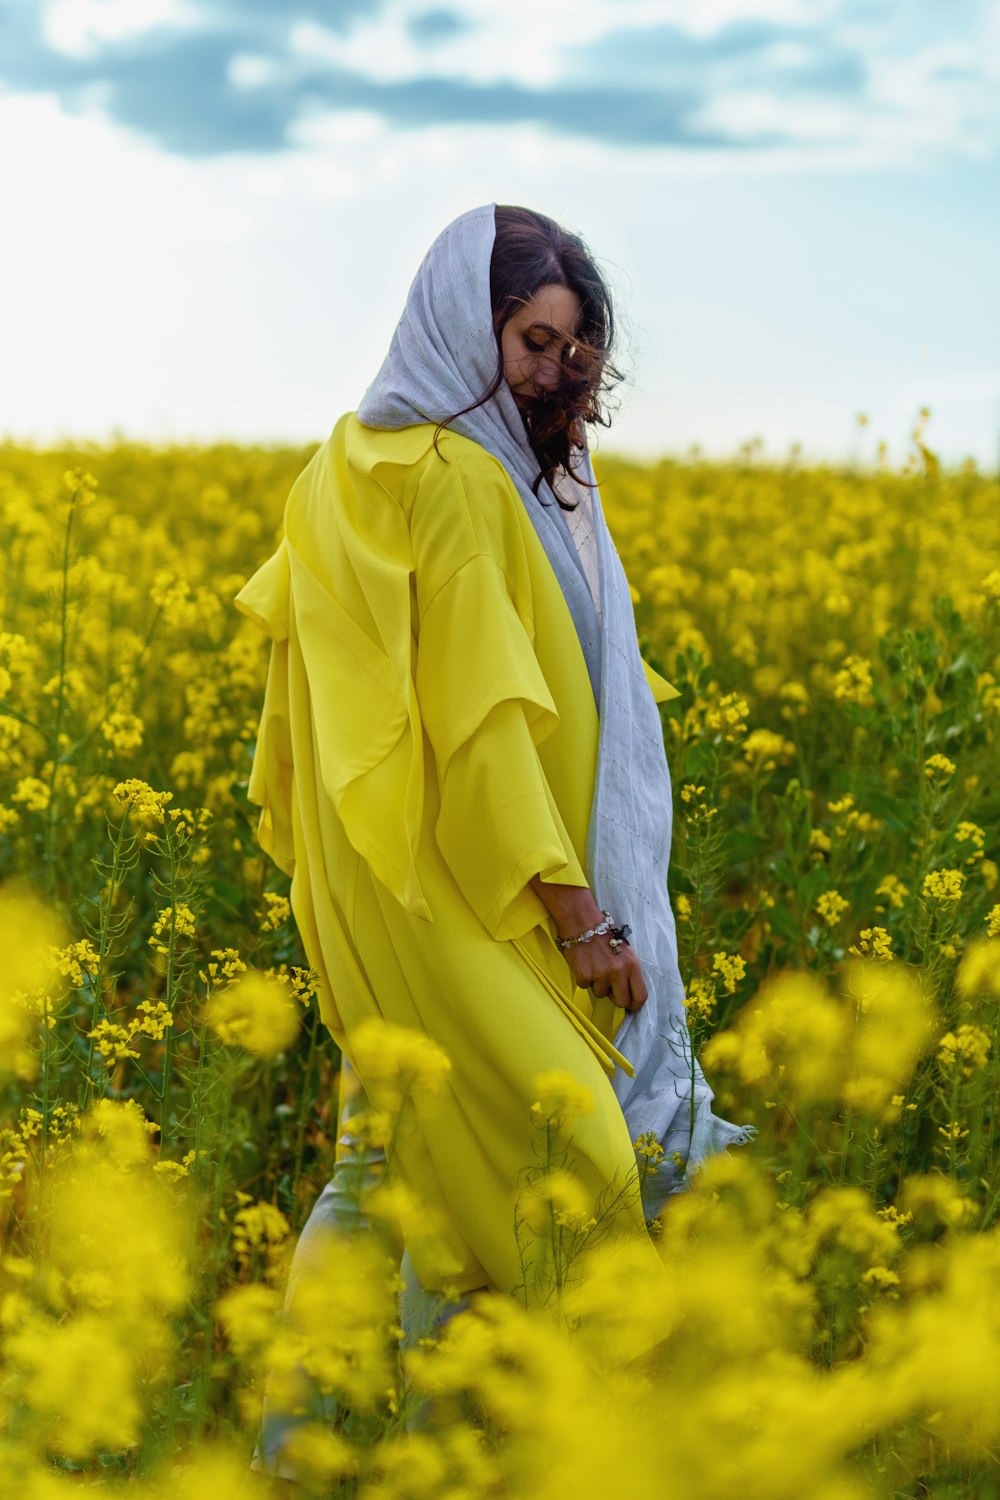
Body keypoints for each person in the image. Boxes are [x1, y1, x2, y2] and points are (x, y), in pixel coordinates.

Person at [235, 203, 756, 1478]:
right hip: (471, 888)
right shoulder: (465, 482)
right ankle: (558, 1438)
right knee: (565, 1141)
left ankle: (318, 1448)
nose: (551, 374)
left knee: (391, 1151)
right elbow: (481, 719)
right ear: (466, 328)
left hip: (375, 881)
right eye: (530, 342)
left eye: (571, 351)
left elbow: (292, 721)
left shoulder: (342, 465)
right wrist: (578, 913)